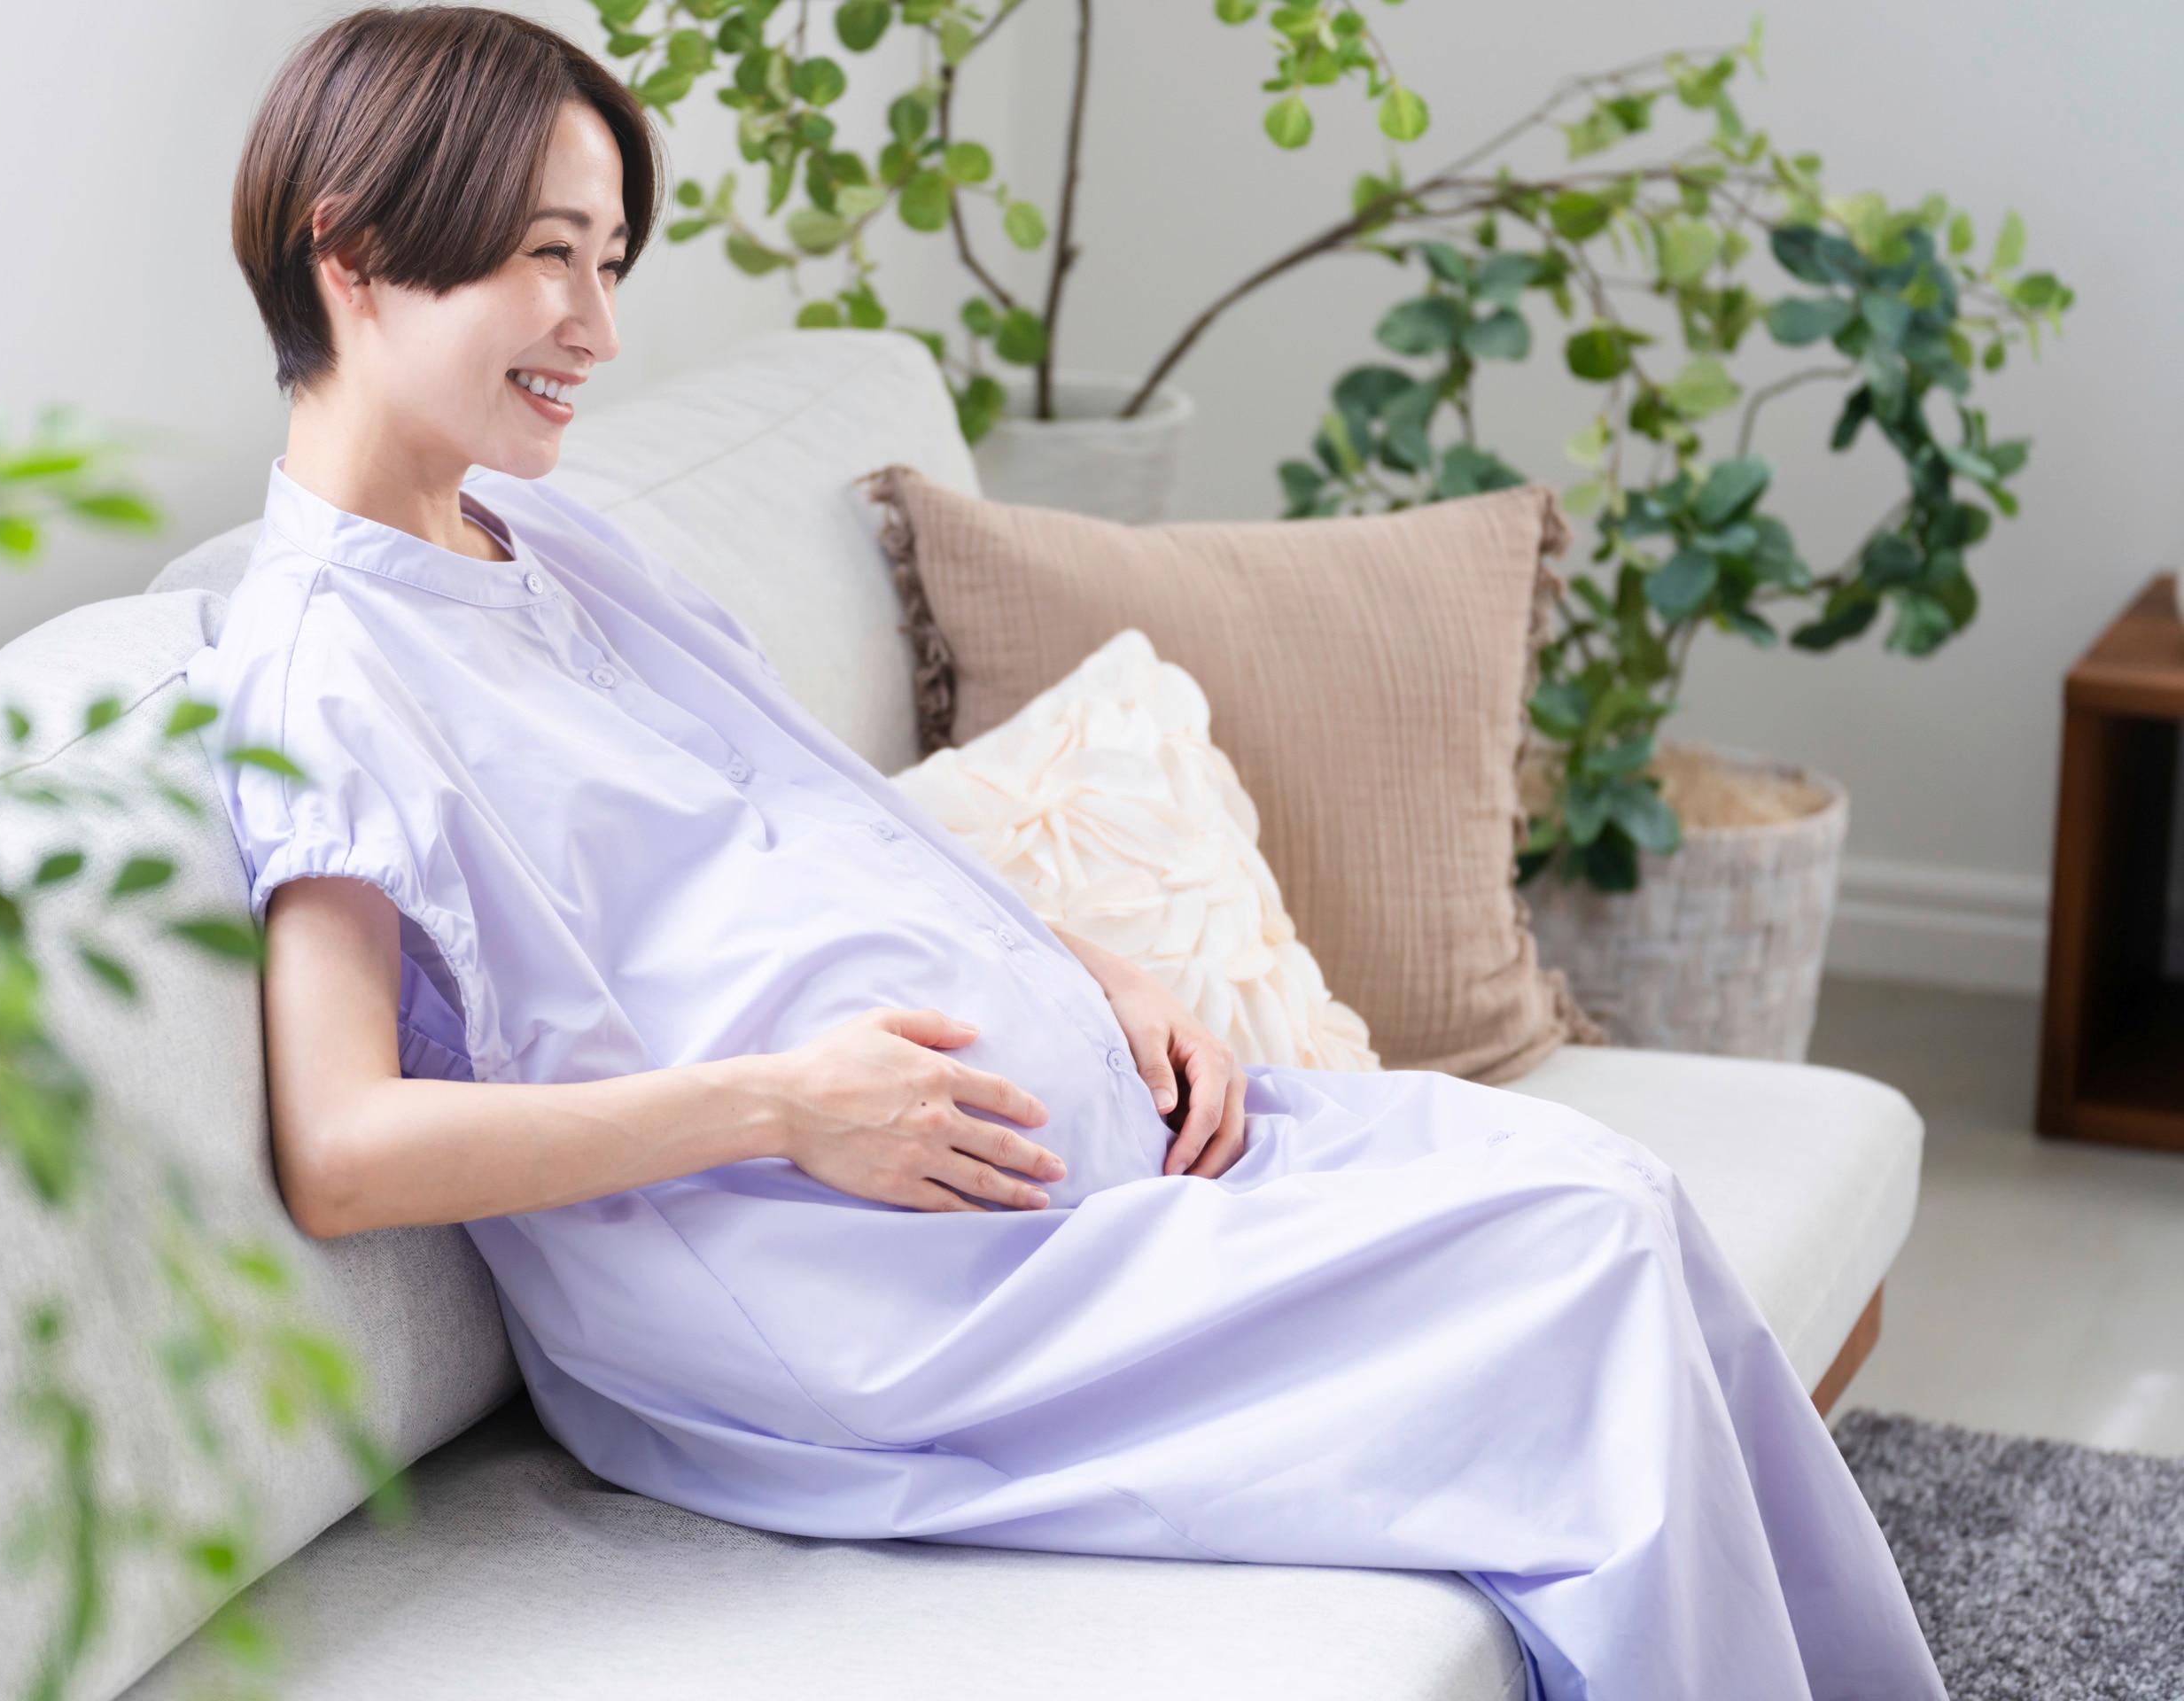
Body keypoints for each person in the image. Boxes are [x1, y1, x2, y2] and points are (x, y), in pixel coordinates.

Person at [192, 11, 1945, 1697]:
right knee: (1586, 1280)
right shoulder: (327, 667)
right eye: (546, 258)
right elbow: (344, 1149)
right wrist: (788, 1109)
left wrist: (1097, 977)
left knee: (1622, 1195)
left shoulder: (545, 537)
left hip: (1053, 1174)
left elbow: (829, 816)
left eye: (613, 261)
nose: (599, 325)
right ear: (350, 255)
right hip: (847, 1294)